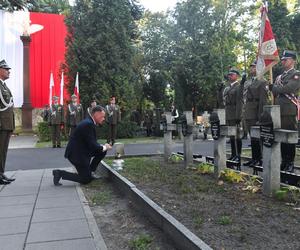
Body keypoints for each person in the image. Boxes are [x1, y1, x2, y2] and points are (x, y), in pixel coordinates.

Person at [52, 105, 112, 185]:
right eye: (102, 116)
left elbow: (90, 142)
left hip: (82, 152)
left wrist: (102, 147)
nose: (104, 119)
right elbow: (93, 145)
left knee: (102, 151)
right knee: (86, 179)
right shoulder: (88, 124)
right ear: (96, 114)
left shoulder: (89, 122)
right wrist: (105, 146)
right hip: (77, 155)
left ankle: (90, 172)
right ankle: (59, 173)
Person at [270, 50, 300, 172]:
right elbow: (278, 90)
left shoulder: (296, 74)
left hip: (289, 109)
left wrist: (274, 88)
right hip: (278, 110)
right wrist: (274, 89)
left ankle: (290, 162)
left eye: (285, 59)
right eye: (282, 59)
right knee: (281, 137)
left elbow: (288, 88)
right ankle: (283, 161)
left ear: (293, 61)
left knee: (290, 137)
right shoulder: (280, 77)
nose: (283, 61)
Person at [242, 61, 268, 167]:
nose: (251, 69)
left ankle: (260, 159)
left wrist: (260, 116)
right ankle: (254, 158)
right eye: (251, 67)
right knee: (252, 138)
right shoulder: (250, 82)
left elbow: (263, 101)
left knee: (258, 138)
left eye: (254, 67)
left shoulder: (262, 81)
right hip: (248, 113)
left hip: (255, 114)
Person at [0, 60, 15, 185]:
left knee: (3, 150)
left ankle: (1, 173)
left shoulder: (4, 86)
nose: (8, 71)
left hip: (6, 124)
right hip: (1, 124)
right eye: (6, 69)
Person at [223, 69, 243, 162]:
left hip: (235, 113)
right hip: (229, 113)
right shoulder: (227, 88)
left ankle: (238, 155)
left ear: (237, 76)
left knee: (237, 135)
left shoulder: (239, 86)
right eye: (229, 75)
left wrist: (238, 116)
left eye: (232, 74)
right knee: (231, 136)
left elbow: (239, 102)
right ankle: (233, 154)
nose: (229, 76)